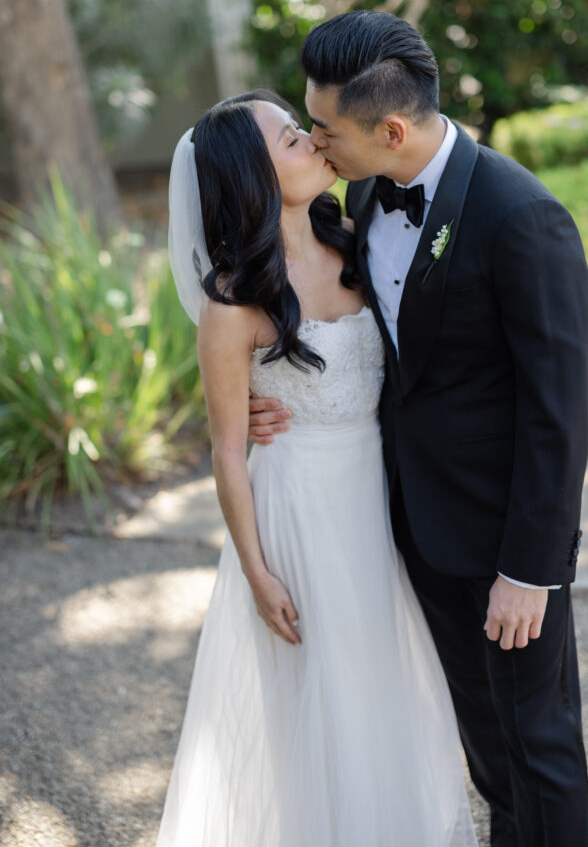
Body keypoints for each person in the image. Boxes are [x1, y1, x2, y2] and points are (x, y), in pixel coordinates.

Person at [248, 11, 588, 847]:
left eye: (323, 130)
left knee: (536, 744)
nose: (317, 145)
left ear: (390, 128)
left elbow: (561, 409)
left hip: (501, 541)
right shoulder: (364, 194)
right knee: (484, 744)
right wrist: (270, 392)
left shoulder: (521, 217)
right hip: (412, 520)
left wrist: (529, 570)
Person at [157, 89, 478, 846]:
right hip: (299, 508)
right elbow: (227, 448)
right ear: (251, 175)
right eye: (291, 136)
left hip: (378, 494)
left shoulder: (356, 240)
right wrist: (257, 571)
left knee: (387, 684)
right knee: (325, 698)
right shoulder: (233, 306)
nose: (313, 139)